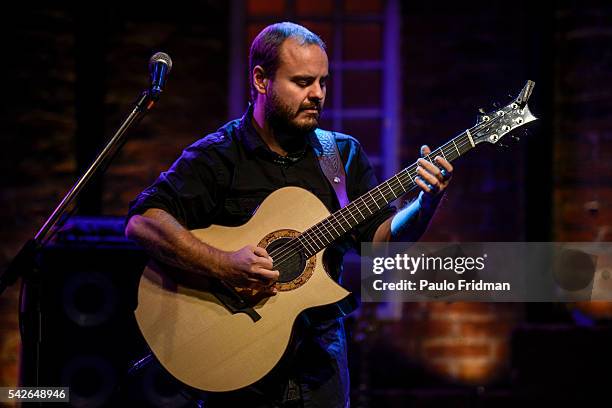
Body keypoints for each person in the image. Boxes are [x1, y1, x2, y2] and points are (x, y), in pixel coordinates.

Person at [125, 22, 452, 408]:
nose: (317, 94)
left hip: (321, 364)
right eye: (302, 82)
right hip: (237, 361)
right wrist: (223, 263)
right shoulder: (219, 155)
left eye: (323, 82)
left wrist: (424, 204)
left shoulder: (341, 155)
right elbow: (142, 222)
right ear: (261, 80)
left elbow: (377, 243)